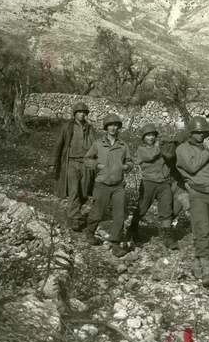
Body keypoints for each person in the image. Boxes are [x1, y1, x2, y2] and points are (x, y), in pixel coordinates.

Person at [176, 116, 209, 287]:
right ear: (190, 133)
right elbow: (191, 167)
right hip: (199, 194)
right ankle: (207, 269)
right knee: (202, 230)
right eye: (197, 133)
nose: (200, 136)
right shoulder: (183, 149)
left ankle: (199, 262)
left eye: (203, 133)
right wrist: (206, 152)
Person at [83, 113, 134, 257]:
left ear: (119, 128)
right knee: (98, 212)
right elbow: (87, 159)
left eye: (116, 125)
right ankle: (90, 233)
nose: (113, 128)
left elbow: (130, 161)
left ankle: (115, 244)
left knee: (119, 215)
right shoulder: (98, 144)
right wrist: (97, 165)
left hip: (118, 185)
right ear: (106, 127)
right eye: (110, 125)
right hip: (102, 184)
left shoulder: (124, 146)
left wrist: (126, 167)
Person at [49, 102, 98, 231]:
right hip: (71, 162)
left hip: (86, 163)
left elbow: (96, 146)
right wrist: (53, 162)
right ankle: (74, 218)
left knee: (84, 191)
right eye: (79, 112)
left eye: (84, 112)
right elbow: (58, 145)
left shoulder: (90, 128)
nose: (82, 114)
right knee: (74, 190)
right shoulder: (67, 127)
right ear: (75, 113)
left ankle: (75, 211)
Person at [128, 123, 178, 249]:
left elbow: (172, 157)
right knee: (142, 208)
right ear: (144, 138)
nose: (151, 137)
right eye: (148, 135)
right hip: (149, 182)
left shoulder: (161, 146)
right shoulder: (142, 149)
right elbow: (149, 156)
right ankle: (132, 229)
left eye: (152, 135)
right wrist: (160, 147)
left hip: (164, 182)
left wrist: (170, 145)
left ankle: (167, 236)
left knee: (166, 209)